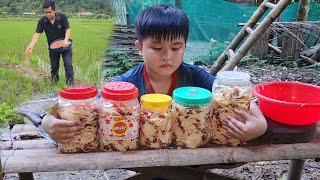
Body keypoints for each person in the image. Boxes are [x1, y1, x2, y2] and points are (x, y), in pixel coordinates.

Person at [42, 4, 267, 144]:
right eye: (157, 48)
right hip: (140, 155)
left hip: (191, 151)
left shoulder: (196, 78)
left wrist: (260, 126)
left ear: (185, 47)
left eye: (176, 48)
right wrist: (48, 123)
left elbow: (234, 96)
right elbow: (88, 109)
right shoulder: (126, 85)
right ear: (139, 47)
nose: (167, 56)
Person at [24, 0, 74, 86]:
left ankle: (70, 86)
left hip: (65, 46)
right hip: (53, 48)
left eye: (49, 12)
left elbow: (68, 29)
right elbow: (37, 34)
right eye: (45, 12)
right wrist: (31, 45)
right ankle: (55, 85)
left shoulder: (62, 17)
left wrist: (66, 40)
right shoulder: (42, 21)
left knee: (68, 65)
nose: (47, 14)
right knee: (54, 68)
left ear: (54, 10)